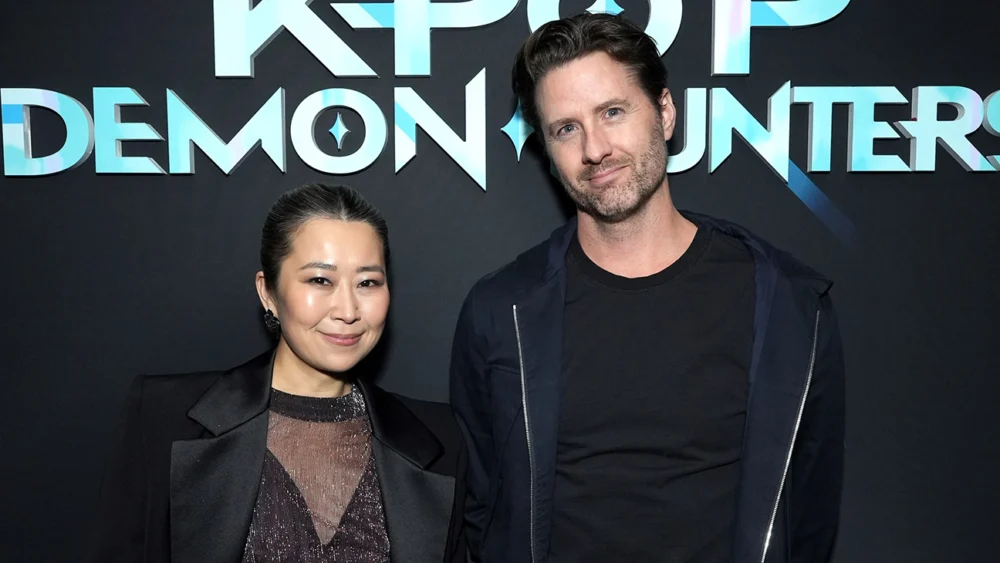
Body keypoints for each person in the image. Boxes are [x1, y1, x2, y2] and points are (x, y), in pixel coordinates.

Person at [449, 12, 845, 563]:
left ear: (665, 112)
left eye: (612, 112)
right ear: (547, 148)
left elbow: (809, 516)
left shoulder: (787, 305)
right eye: (566, 129)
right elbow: (479, 513)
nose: (594, 149)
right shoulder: (499, 311)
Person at [85, 183, 467, 563]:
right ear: (268, 292)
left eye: (367, 282)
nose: (348, 310)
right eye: (320, 280)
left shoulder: (441, 439)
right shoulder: (164, 420)